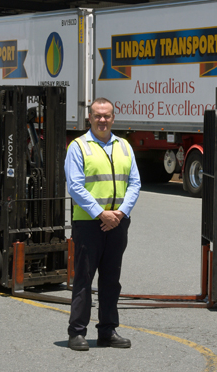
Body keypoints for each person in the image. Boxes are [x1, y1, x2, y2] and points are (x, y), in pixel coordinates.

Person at [64, 97, 141, 351]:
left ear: (113, 118)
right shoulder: (78, 146)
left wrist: (120, 213)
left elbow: (135, 183)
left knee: (111, 280)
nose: (102, 120)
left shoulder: (124, 146)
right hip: (89, 223)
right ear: (90, 117)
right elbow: (75, 186)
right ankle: (77, 332)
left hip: (117, 222)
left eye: (107, 115)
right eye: (97, 115)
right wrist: (101, 214)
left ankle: (107, 331)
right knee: (84, 279)